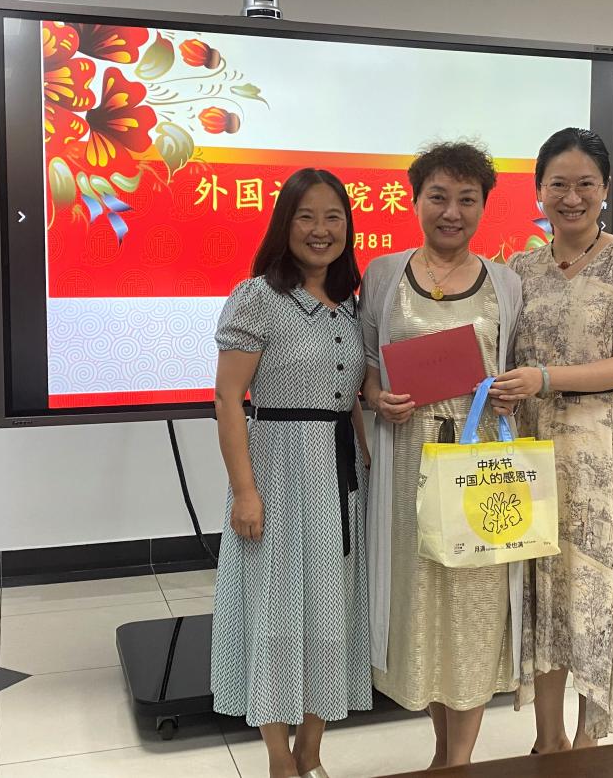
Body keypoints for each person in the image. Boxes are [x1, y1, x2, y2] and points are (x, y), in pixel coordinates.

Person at [491, 128, 613, 751]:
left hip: (602, 451)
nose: (571, 198)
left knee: (596, 588)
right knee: (544, 588)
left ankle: (588, 743)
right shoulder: (519, 270)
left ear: (605, 189)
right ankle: (547, 741)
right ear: (538, 190)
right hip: (533, 446)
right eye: (558, 185)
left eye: (585, 184)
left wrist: (544, 378)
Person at [360, 141, 523, 768]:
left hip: (479, 464)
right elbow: (367, 369)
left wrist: (509, 388)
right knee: (422, 603)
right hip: (408, 462)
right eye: (438, 197)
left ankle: (459, 761)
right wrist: (377, 398)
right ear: (414, 200)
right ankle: (440, 751)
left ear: (483, 206)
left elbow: (516, 365)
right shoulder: (382, 275)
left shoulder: (505, 283)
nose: (451, 212)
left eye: (466, 199)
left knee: (476, 605)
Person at [211, 168, 372, 778]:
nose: (320, 229)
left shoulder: (351, 304)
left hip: (340, 477)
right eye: (306, 216)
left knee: (332, 613)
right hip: (278, 471)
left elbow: (349, 398)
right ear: (285, 223)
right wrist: (244, 492)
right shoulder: (257, 297)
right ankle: (279, 759)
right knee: (276, 614)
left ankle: (312, 752)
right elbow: (228, 399)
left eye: (333, 217)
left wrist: (369, 465)